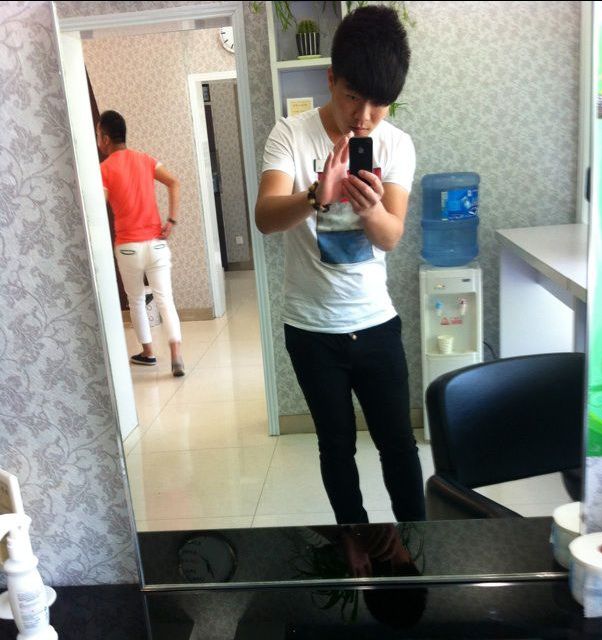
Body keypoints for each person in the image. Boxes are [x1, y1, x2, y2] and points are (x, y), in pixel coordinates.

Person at [255, 6, 425, 524]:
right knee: (336, 445)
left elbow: (391, 236)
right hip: (311, 329)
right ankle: (355, 546)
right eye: (354, 96)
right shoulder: (291, 134)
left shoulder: (396, 144)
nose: (365, 117)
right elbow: (265, 217)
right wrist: (316, 196)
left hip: (375, 323)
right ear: (331, 80)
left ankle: (418, 548)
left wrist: (370, 210)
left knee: (398, 444)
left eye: (380, 104)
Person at [97, 110, 185, 377]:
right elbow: (174, 182)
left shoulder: (104, 169)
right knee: (165, 299)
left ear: (105, 138)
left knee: (136, 300)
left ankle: (148, 353)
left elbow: (98, 206)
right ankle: (176, 355)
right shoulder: (146, 160)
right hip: (157, 243)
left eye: (99, 135)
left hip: (128, 247)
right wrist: (171, 220)